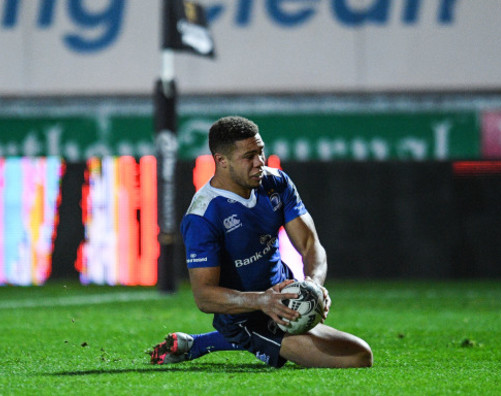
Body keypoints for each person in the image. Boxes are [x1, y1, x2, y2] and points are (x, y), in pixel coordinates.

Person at [149, 116, 372, 368]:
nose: (259, 162)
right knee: (355, 360)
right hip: (244, 317)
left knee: (363, 352)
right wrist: (262, 301)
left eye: (261, 152)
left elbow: (311, 246)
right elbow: (204, 297)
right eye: (249, 156)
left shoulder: (276, 182)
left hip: (285, 301)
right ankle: (222, 341)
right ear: (221, 161)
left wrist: (314, 285)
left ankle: (195, 344)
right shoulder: (203, 215)